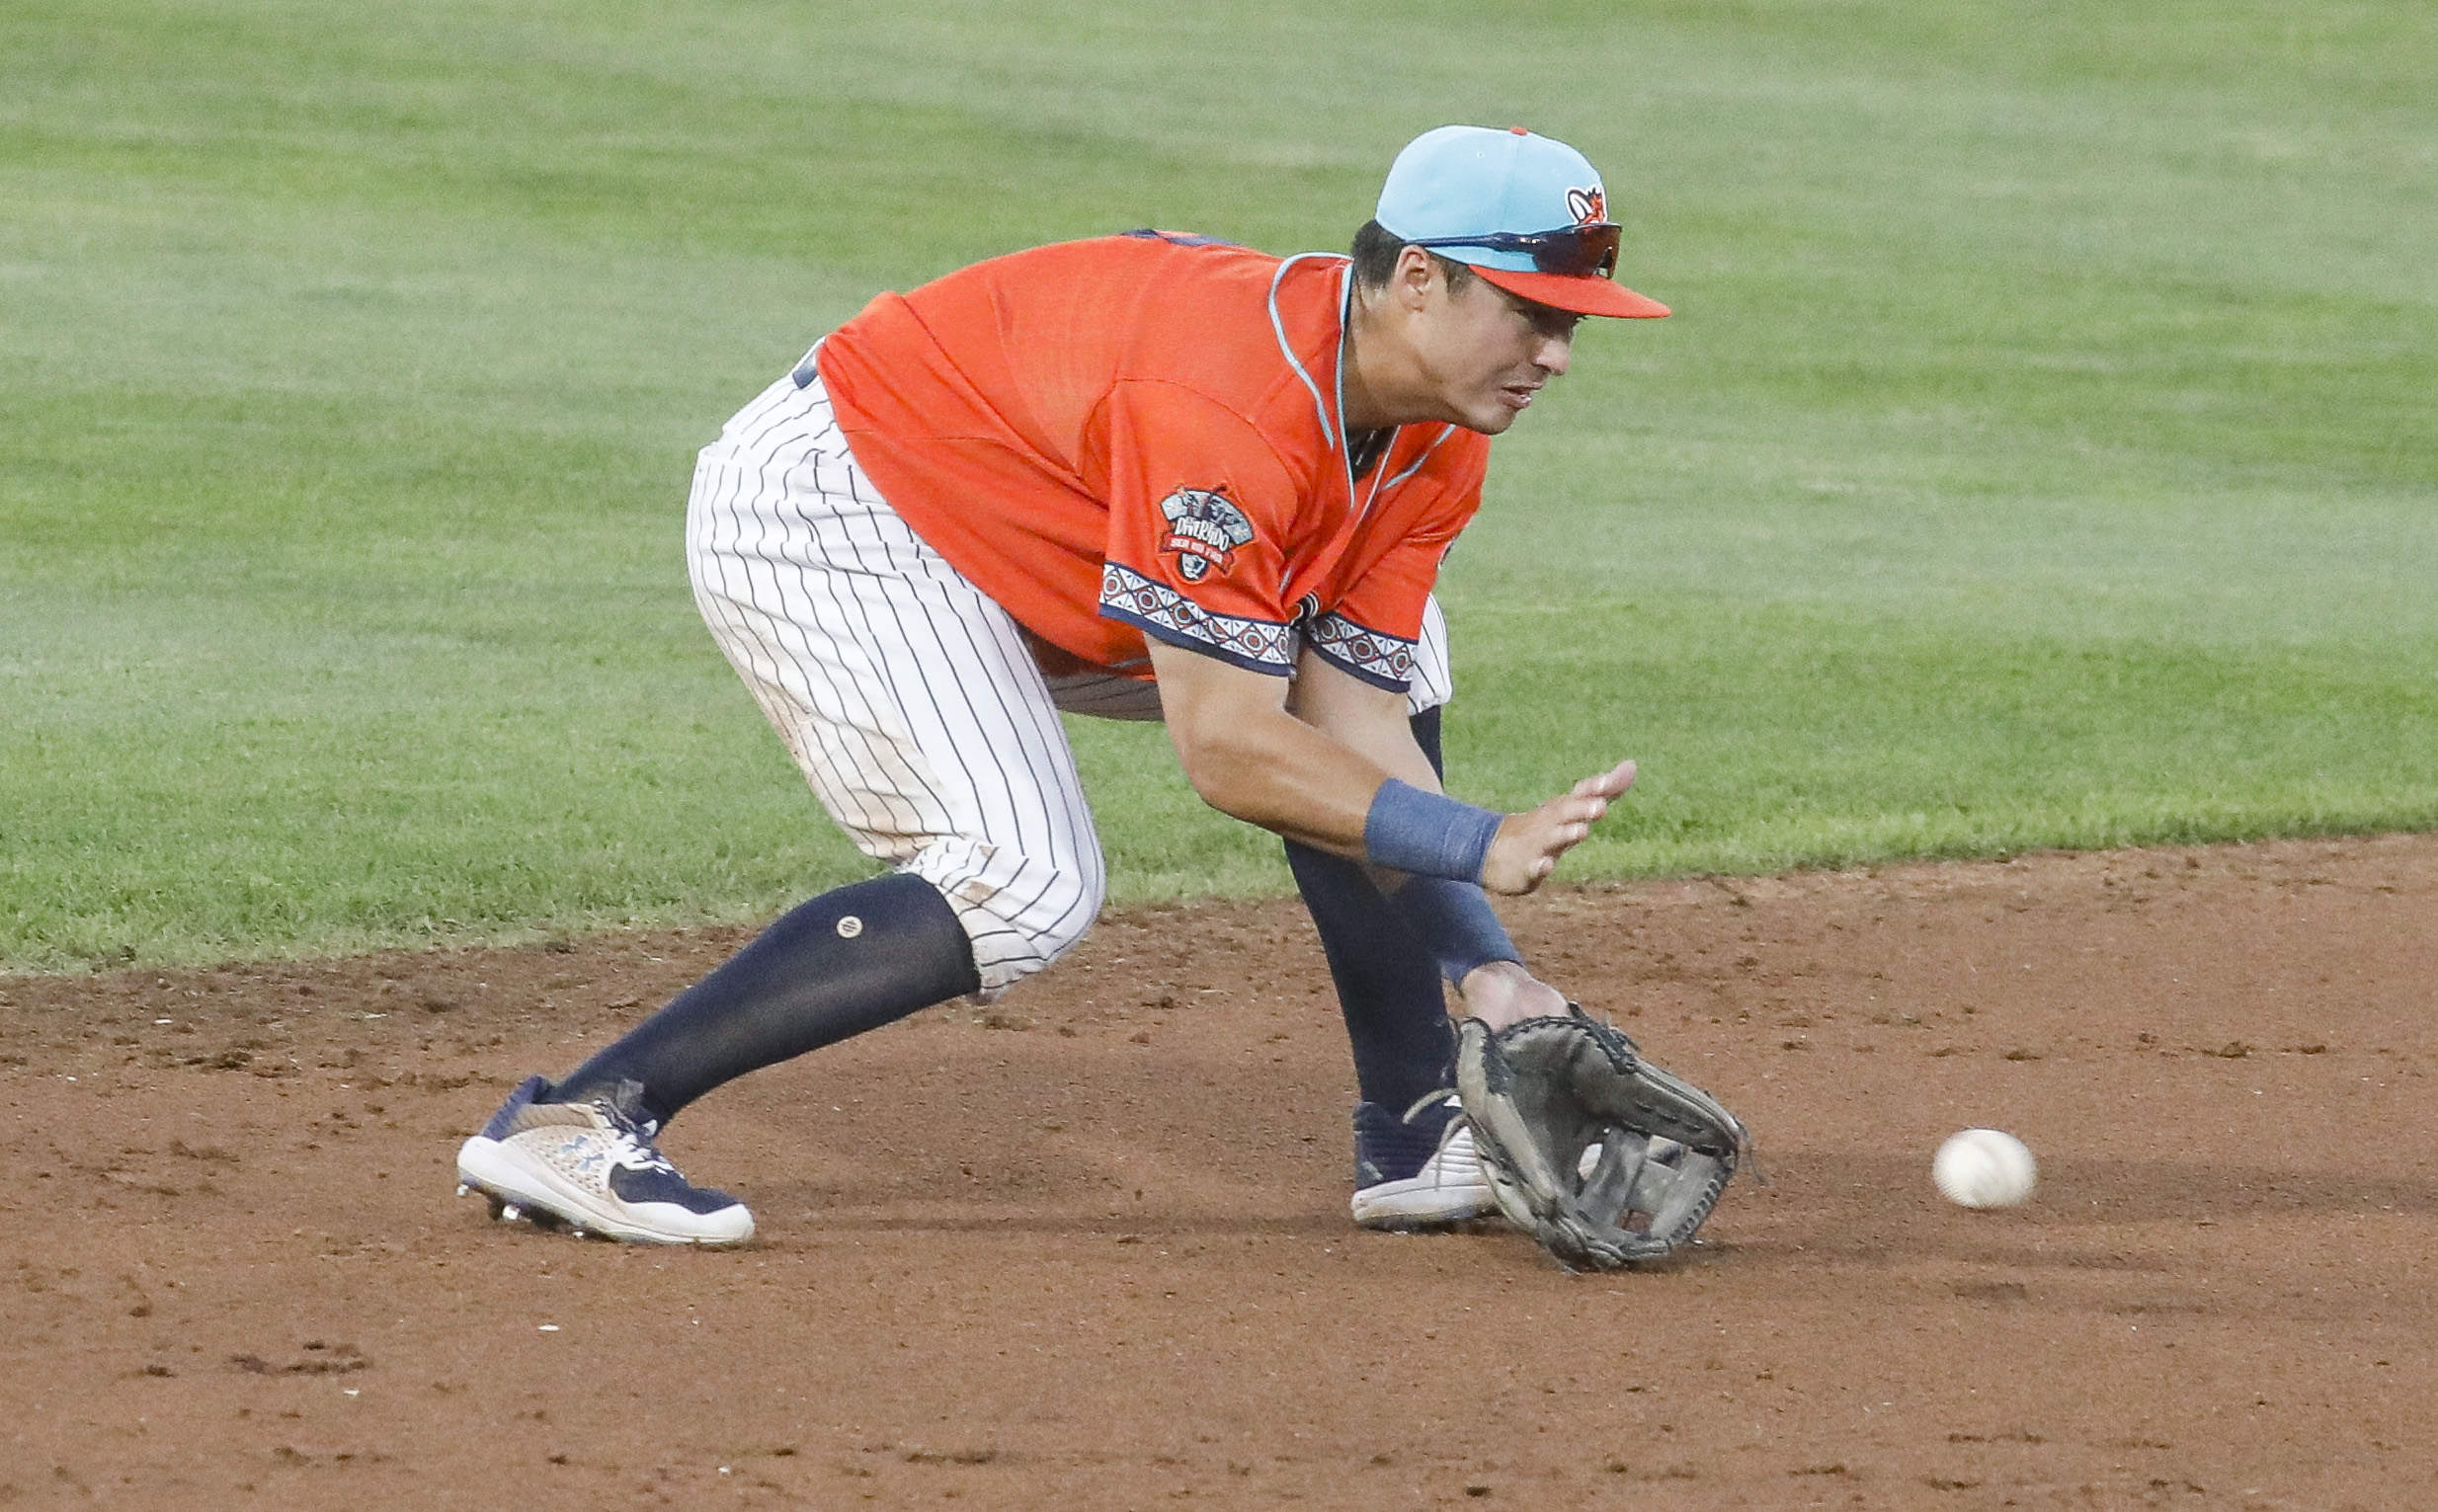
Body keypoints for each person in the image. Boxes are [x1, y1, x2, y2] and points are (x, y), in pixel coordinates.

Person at [453, 124, 1669, 1245]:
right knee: (1021, 881)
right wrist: (1478, 837)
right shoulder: (1228, 405)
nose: (1555, 356)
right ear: (1417, 279)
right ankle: (579, 1117)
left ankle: (1413, 1124)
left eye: (1573, 324)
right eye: (1530, 314)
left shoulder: (1437, 430)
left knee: (1407, 659)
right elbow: (1230, 746)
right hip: (849, 506)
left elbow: (1349, 711)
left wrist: (1490, 970)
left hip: (1045, 526)